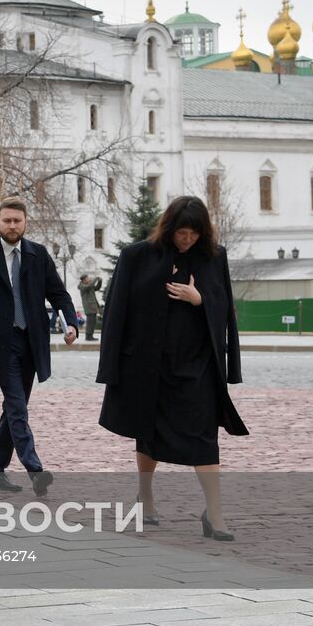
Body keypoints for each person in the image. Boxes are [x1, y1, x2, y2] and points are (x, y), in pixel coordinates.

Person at [97, 195, 247, 541]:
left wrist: (201, 300)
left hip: (197, 368)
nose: (188, 239)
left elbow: (224, 308)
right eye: (182, 232)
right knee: (147, 433)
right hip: (148, 367)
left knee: (204, 439)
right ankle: (146, 497)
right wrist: (111, 368)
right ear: (169, 228)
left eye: (194, 233)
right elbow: (117, 310)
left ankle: (215, 513)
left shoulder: (214, 257)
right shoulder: (138, 256)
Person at [0, 199, 78, 496]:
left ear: (25, 222)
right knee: (17, 407)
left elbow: (60, 295)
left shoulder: (38, 255)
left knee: (13, 409)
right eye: (6, 220)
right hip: (0, 343)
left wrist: (71, 323)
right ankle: (35, 470)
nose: (12, 226)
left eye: (17, 221)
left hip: (31, 344)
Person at [79, 273, 103, 341]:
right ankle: (88, 336)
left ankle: (90, 335)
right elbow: (90, 286)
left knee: (92, 322)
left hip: (92, 306)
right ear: (84, 280)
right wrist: (95, 279)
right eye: (87, 278)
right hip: (89, 307)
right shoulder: (82, 286)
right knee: (90, 322)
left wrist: (100, 281)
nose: (89, 279)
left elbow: (97, 288)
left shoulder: (88, 285)